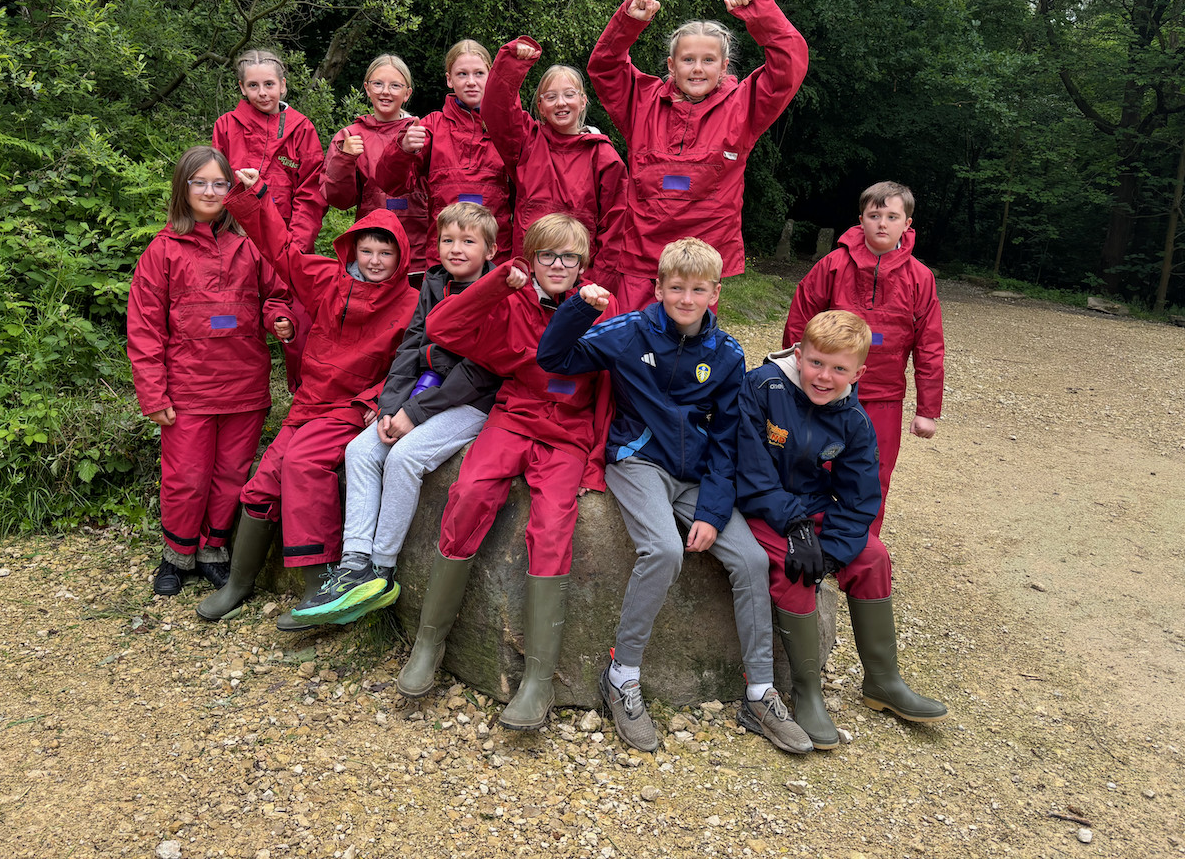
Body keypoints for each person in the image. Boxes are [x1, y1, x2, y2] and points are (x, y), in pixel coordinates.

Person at [536, 238, 812, 754]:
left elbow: (728, 438)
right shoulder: (629, 330)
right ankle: (622, 675)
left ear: (716, 293)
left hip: (698, 474)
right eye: (677, 288)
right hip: (638, 460)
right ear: (659, 287)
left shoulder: (727, 353)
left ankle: (759, 693)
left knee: (752, 559)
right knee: (663, 550)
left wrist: (712, 511)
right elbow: (554, 356)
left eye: (698, 290)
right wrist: (579, 307)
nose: (687, 299)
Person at [395, 214, 616, 731]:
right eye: (546, 255)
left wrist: (596, 462)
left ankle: (538, 679)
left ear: (582, 263)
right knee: (469, 493)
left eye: (569, 257)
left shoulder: (599, 307)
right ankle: (429, 642)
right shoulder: (511, 300)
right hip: (514, 416)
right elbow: (442, 329)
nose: (558, 265)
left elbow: (611, 391)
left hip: (568, 433)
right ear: (530, 259)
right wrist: (496, 283)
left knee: (554, 524)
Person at [195, 169, 417, 630]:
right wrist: (254, 195)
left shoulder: (410, 303)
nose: (375, 261)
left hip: (349, 408)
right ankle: (238, 584)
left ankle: (320, 587)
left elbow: (410, 364)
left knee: (303, 464)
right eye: (367, 251)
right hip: (309, 402)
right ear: (352, 249)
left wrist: (377, 400)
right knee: (260, 486)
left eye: (386, 253)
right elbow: (281, 249)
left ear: (401, 256)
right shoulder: (327, 280)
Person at [736, 309, 948, 750]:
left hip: (812, 508)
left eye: (838, 369)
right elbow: (751, 472)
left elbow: (860, 497)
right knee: (797, 569)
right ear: (799, 354)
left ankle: (883, 680)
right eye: (816, 363)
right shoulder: (762, 388)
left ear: (858, 374)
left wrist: (832, 551)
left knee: (873, 557)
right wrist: (795, 528)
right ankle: (807, 692)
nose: (824, 377)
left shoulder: (854, 418)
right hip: (762, 507)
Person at [290, 203, 502, 625]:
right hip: (420, 395)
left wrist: (414, 414)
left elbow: (476, 372)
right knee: (360, 451)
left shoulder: (496, 294)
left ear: (490, 250)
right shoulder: (434, 283)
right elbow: (409, 348)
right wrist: (390, 408)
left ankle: (381, 570)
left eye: (468, 241)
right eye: (448, 240)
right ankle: (354, 564)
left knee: (404, 458)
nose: (456, 249)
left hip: (471, 402)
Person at [127, 146, 294, 596]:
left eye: (219, 183)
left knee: (231, 475)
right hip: (188, 390)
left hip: (244, 386)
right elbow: (144, 329)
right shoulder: (162, 251)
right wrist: (153, 394)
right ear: (182, 189)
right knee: (186, 478)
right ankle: (176, 555)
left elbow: (277, 293)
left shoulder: (250, 245)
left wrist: (279, 318)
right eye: (199, 182)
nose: (209, 191)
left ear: (231, 189)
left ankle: (212, 551)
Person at [587, 0, 808, 311]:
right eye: (688, 59)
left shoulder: (743, 108)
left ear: (724, 66)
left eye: (708, 60)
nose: (698, 68)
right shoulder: (641, 103)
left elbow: (788, 68)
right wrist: (628, 22)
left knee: (689, 341)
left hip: (702, 266)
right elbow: (605, 67)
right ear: (671, 65)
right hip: (641, 260)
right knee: (633, 341)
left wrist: (761, 14)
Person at [782, 181, 944, 547]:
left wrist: (927, 410)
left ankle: (858, 549)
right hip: (827, 391)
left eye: (892, 217)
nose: (882, 224)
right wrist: (796, 376)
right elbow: (800, 320)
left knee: (872, 476)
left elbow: (930, 345)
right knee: (813, 466)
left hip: (884, 396)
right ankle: (809, 543)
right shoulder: (833, 265)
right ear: (861, 220)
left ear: (907, 224)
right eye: (874, 215)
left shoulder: (920, 277)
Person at [213, 49, 327, 391]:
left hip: (287, 240)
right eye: (253, 85)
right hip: (236, 238)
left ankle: (305, 395)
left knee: (295, 320)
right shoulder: (226, 126)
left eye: (269, 84)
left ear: (283, 85)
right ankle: (236, 393)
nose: (262, 93)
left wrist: (296, 244)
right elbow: (216, 186)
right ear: (241, 88)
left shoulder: (301, 128)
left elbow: (311, 193)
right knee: (235, 314)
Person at [482, 36, 628, 286]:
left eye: (569, 95)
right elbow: (496, 109)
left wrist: (597, 284)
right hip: (528, 279)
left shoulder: (603, 156)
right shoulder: (526, 142)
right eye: (551, 97)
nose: (561, 103)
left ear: (583, 101)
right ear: (540, 107)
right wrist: (511, 63)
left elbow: (615, 228)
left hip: (578, 280)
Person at [374, 40, 513, 264]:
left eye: (479, 73)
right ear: (449, 79)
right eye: (462, 74)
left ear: (491, 77)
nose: (471, 82)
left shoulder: (508, 127)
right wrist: (403, 149)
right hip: (444, 257)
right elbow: (391, 184)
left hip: (496, 254)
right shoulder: (431, 126)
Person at [321, 54, 430, 281]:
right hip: (371, 252)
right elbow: (339, 200)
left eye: (395, 86)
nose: (385, 92)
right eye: (378, 84)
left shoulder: (420, 132)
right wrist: (344, 158)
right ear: (367, 88)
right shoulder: (350, 136)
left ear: (407, 93)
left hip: (418, 253)